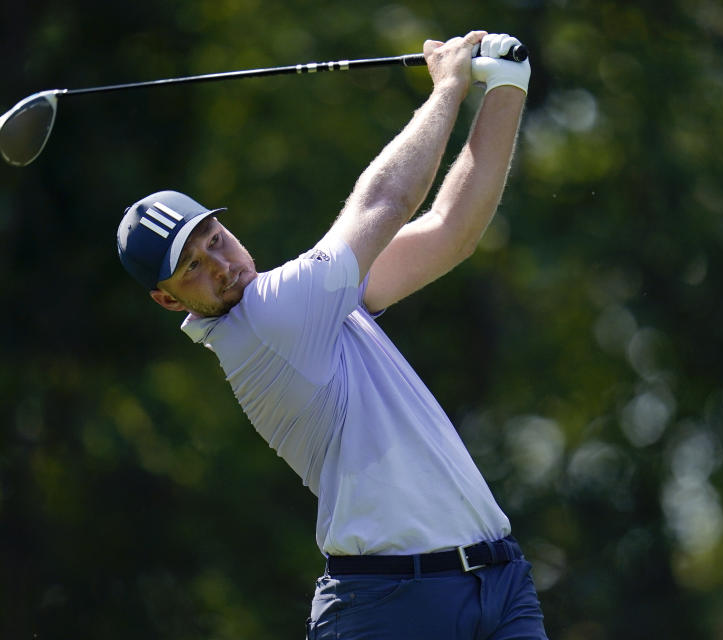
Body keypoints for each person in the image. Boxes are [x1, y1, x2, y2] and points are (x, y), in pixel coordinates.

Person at [116, 30, 546, 640]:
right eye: (193, 270)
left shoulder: (311, 308)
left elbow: (451, 232)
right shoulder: (267, 318)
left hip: (497, 582)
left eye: (214, 240)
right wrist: (449, 85)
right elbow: (388, 200)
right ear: (168, 300)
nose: (221, 267)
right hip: (393, 606)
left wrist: (507, 84)